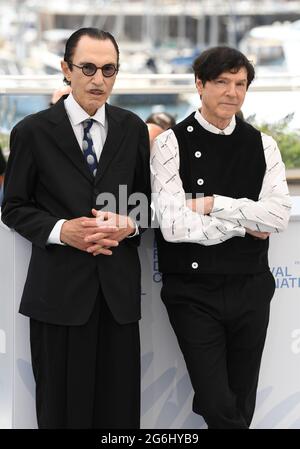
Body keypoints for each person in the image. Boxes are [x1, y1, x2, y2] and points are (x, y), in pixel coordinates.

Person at [1, 28, 150, 429]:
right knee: (62, 412)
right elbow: (13, 207)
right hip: (58, 296)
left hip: (117, 296)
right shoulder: (31, 131)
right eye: (87, 68)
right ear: (66, 69)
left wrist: (129, 224)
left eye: (109, 69)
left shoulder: (133, 128)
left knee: (119, 415)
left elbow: (144, 201)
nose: (98, 79)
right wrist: (61, 230)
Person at [150, 46, 291, 429]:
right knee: (216, 401)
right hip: (192, 291)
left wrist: (214, 203)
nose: (232, 92)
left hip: (250, 285)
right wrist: (245, 223)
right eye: (222, 82)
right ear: (200, 84)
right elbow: (175, 227)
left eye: (240, 84)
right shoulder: (169, 144)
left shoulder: (263, 145)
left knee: (242, 399)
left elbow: (278, 215)